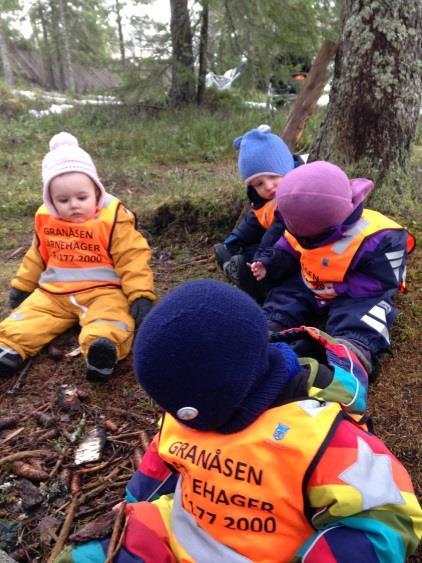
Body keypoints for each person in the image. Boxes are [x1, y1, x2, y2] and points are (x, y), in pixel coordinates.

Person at [62, 280, 421, 562]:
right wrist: (131, 504)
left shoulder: (321, 436)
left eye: (186, 414)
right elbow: (163, 460)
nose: (176, 421)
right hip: (178, 530)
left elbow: (386, 518)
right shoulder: (184, 412)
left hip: (270, 552)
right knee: (90, 554)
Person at [0, 132, 156, 382]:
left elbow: (132, 256)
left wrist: (140, 293)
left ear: (96, 191)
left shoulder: (113, 218)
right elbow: (36, 255)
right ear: (50, 199)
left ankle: (102, 352)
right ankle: (7, 348)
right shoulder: (45, 217)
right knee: (29, 316)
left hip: (104, 291)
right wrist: (22, 284)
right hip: (53, 293)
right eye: (63, 200)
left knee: (111, 317)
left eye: (81, 197)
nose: (73, 205)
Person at [250, 161, 415, 379]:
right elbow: (287, 245)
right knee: (285, 294)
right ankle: (266, 330)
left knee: (365, 313)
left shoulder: (380, 236)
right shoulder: (301, 227)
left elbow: (382, 280)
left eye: (310, 239)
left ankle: (352, 351)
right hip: (311, 280)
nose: (303, 240)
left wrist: (337, 288)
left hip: (355, 293)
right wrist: (268, 262)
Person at [214, 124, 303, 301]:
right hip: (270, 248)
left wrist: (262, 257)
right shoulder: (263, 201)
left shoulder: (295, 196)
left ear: (286, 168)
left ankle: (256, 284)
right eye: (259, 184)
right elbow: (252, 222)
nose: (268, 187)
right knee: (246, 249)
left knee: (274, 262)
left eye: (273, 177)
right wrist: (233, 242)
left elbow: (276, 232)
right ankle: (237, 266)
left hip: (294, 250)